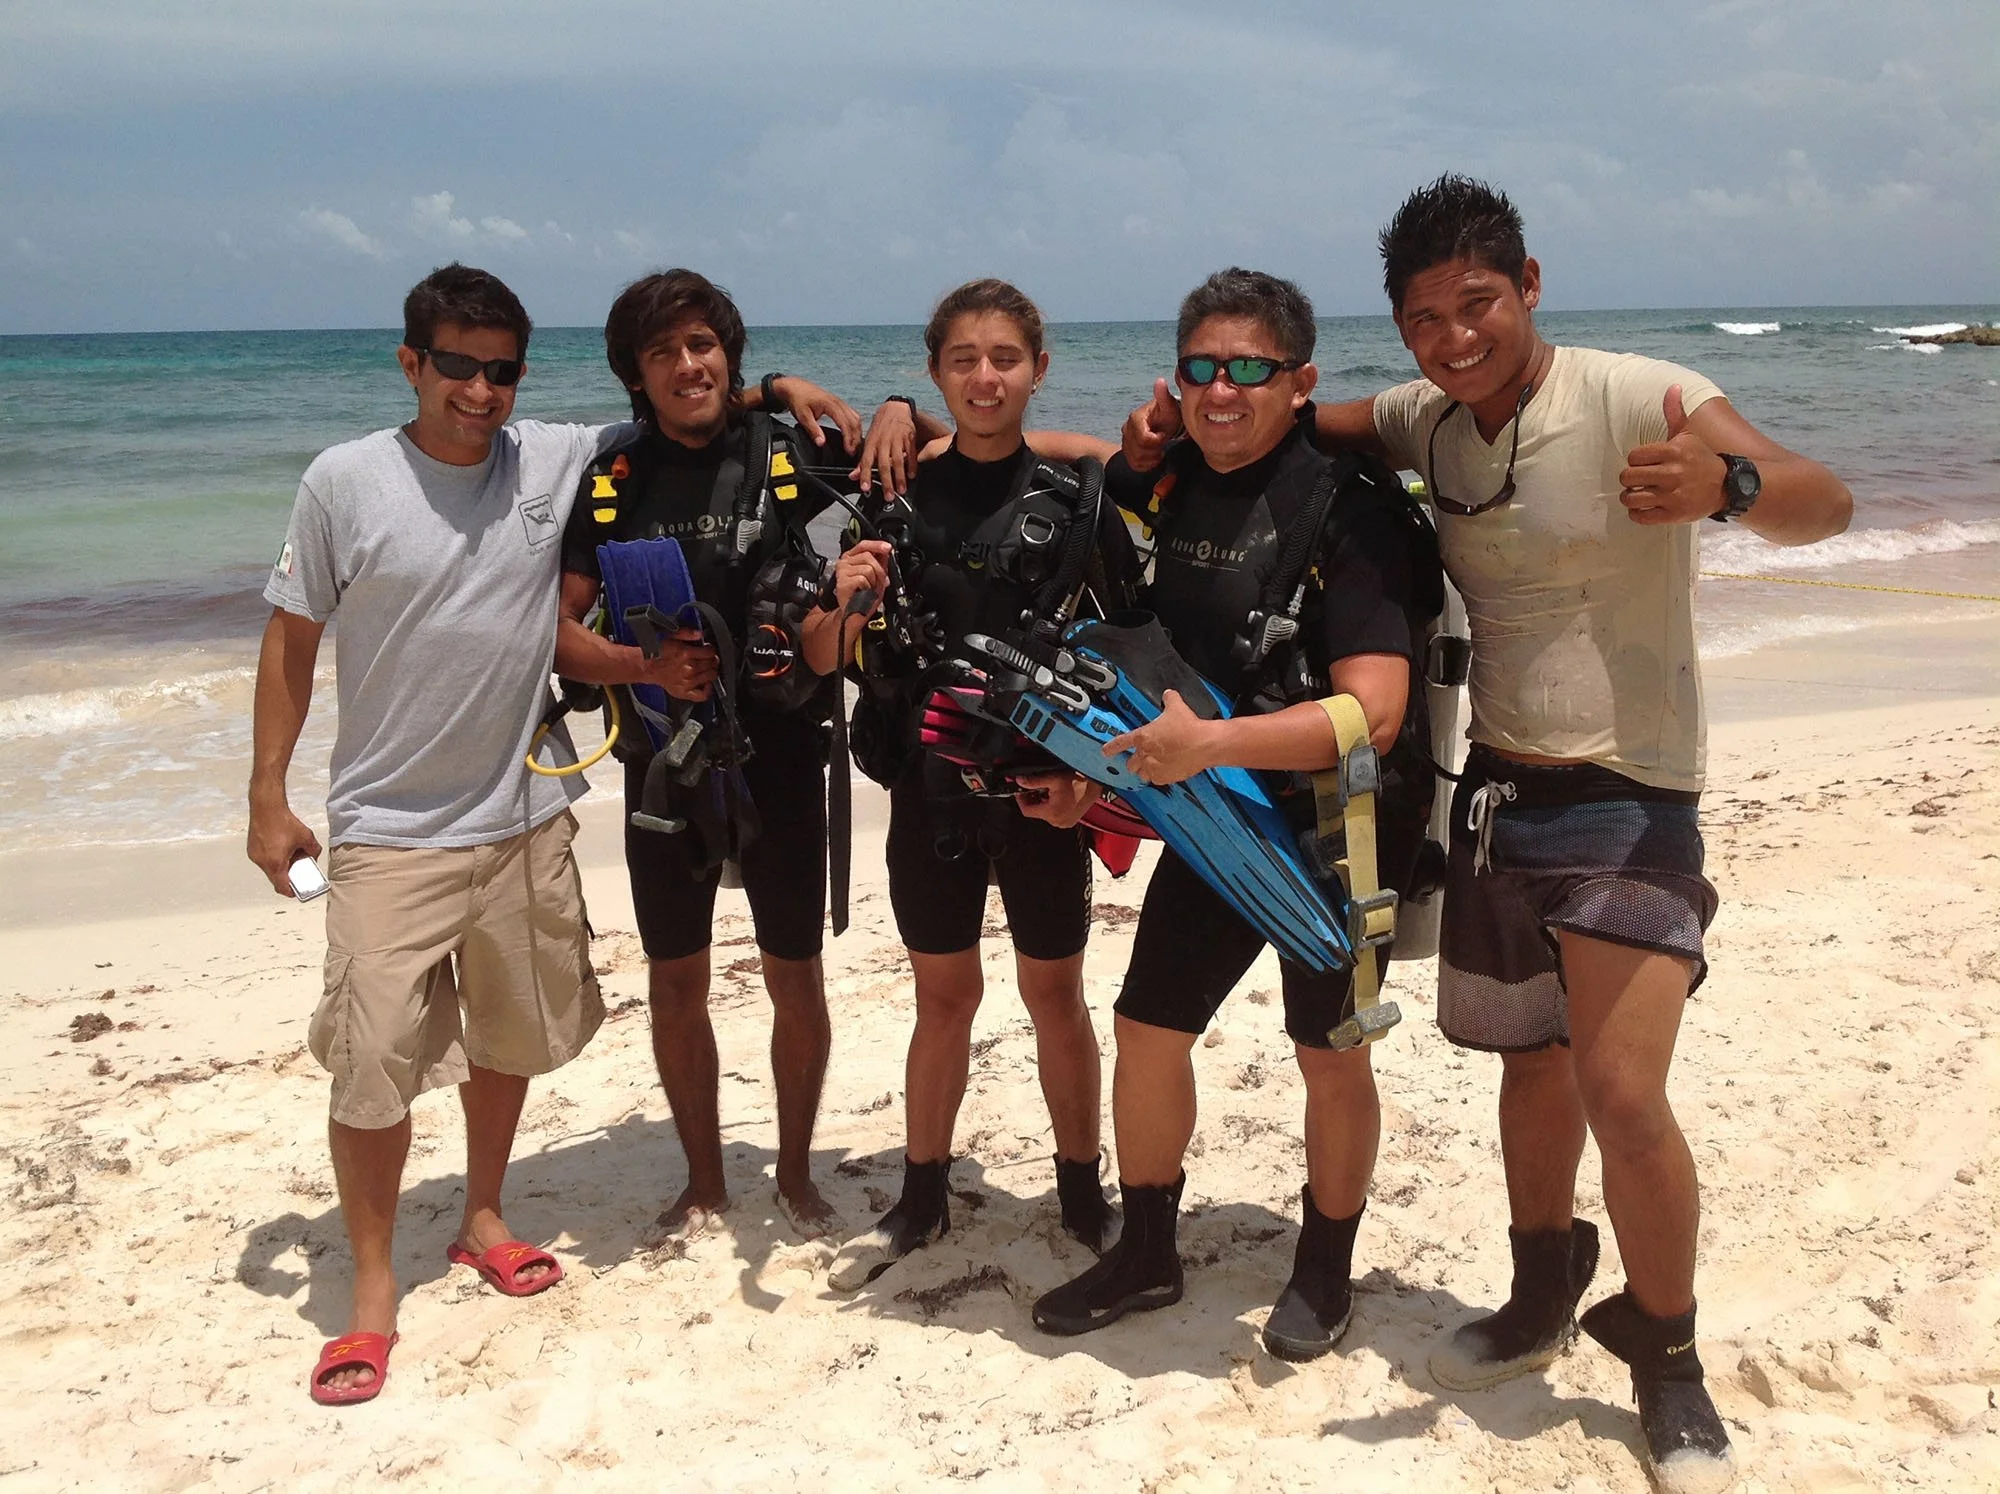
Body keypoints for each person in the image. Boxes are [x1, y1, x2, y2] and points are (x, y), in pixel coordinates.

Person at [1133, 178, 1852, 1490]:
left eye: (1476, 305)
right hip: (1493, 795)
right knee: (1531, 1064)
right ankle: (1542, 1283)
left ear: (1528, 281)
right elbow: (1275, 412)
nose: (1453, 339)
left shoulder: (1645, 394)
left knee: (1624, 1089)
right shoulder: (1426, 418)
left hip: (1636, 790)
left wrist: (1730, 480)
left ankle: (1670, 1357)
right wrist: (1127, 432)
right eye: (1423, 320)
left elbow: (1828, 497)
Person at [249, 263, 861, 1407]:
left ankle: (750, 1175)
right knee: (448, 1039)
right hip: (526, 795)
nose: (479, 390)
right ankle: (672, 1190)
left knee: (737, 991)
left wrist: (808, 388)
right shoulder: (522, 472)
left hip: (658, 785)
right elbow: (528, 627)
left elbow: (895, 451)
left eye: (500, 372)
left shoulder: (694, 452)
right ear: (412, 365)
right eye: (458, 367)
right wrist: (264, 793)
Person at [1028, 268, 1435, 1360]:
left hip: (1335, 825)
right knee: (1148, 1026)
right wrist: (1094, 779)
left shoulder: (1352, 515)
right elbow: (1159, 679)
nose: (1220, 390)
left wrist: (1205, 748)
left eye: (1247, 370)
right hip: (1213, 806)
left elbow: (1377, 714)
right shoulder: (1171, 493)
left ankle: (1322, 1267)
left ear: (1299, 383)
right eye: (1200, 368)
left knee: (1327, 1049)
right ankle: (1148, 1248)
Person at [553, 269, 889, 1243]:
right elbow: (556, 628)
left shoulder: (790, 451)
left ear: (728, 354)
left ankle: (792, 1175)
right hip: (664, 759)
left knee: (794, 973)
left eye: (701, 344)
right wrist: (640, 663)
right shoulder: (613, 481)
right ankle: (704, 1180)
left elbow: (924, 463)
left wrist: (882, 400)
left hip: (782, 749)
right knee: (674, 977)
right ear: (635, 376)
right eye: (662, 353)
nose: (686, 365)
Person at [826, 279, 1124, 1290]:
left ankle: (1080, 1182)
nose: (984, 377)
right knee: (940, 996)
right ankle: (922, 1186)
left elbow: (1124, 657)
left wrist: (1093, 785)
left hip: (1042, 792)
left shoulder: (1078, 496)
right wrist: (847, 598)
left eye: (1004, 358)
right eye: (962, 360)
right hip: (928, 792)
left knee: (1056, 996)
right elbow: (826, 652)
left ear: (1038, 368)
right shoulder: (890, 505)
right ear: (933, 372)